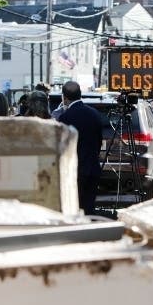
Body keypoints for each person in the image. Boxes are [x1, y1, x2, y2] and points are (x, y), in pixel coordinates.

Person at [56, 80, 114, 216]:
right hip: (93, 168)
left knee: (74, 210)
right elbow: (99, 142)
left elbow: (62, 148)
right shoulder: (94, 114)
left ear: (64, 97)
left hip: (74, 172)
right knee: (89, 209)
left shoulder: (65, 118)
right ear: (80, 94)